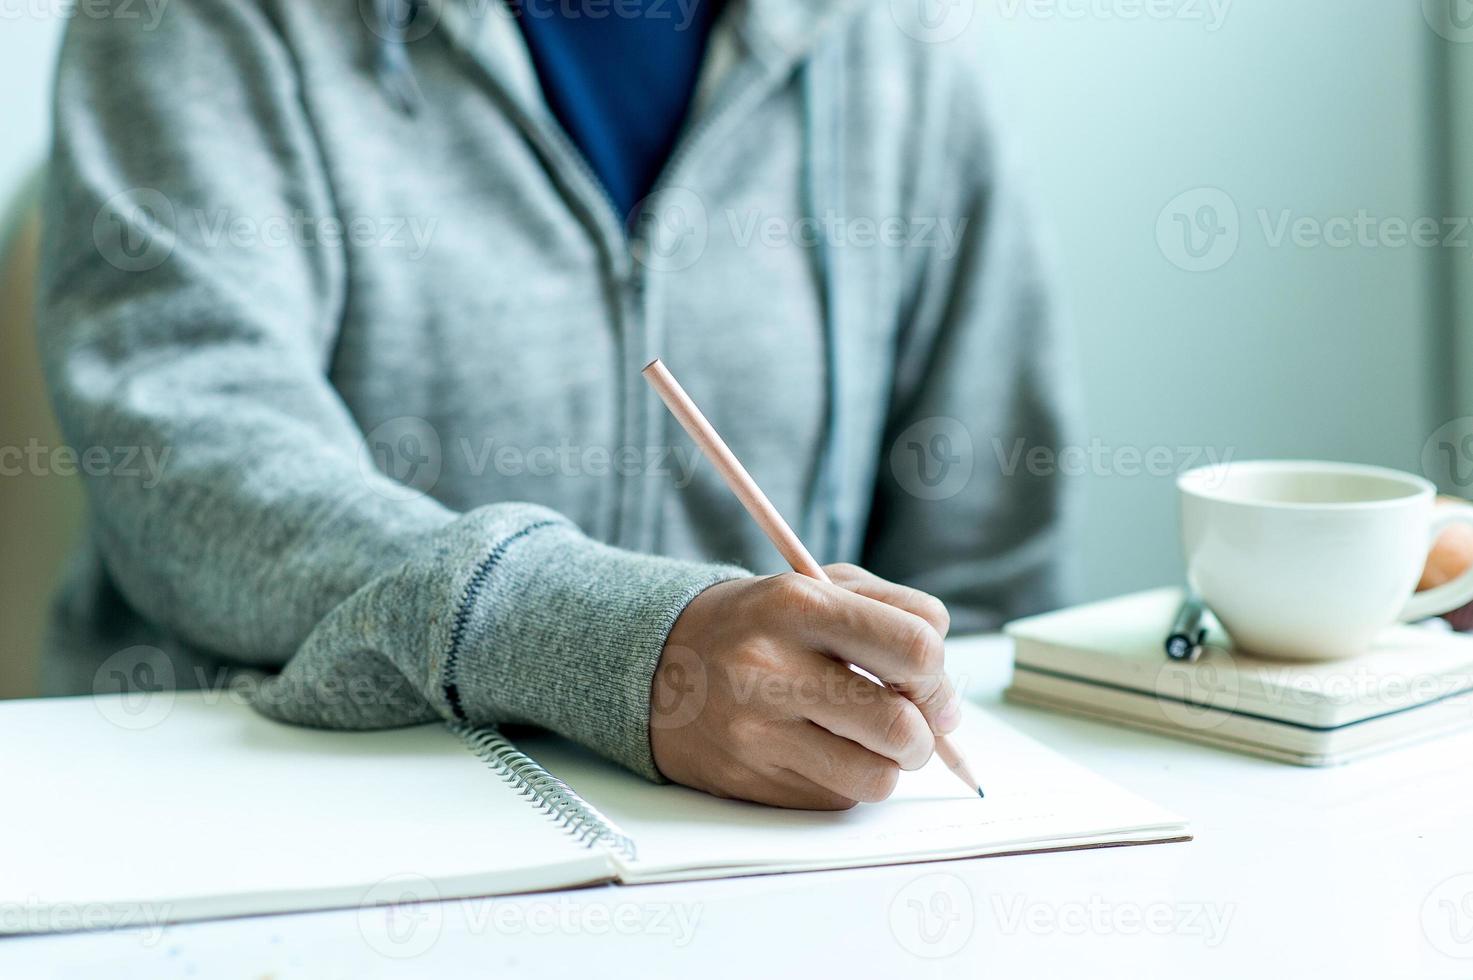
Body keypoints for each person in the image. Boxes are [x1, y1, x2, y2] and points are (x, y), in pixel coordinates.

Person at [34, 0, 1464, 811]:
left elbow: (975, 581)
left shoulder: (897, 53)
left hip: (761, 869)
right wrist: (629, 648)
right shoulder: (205, 25)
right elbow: (194, 466)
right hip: (277, 831)